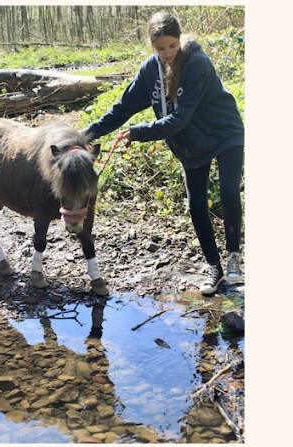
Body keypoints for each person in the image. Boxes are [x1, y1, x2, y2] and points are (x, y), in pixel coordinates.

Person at [82, 11, 244, 295]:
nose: (167, 53)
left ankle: (233, 258)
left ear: (179, 40)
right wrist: (86, 134)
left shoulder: (197, 64)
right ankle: (214, 267)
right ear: (152, 46)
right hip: (190, 144)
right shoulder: (150, 71)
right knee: (196, 205)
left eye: (172, 46)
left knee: (229, 192)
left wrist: (139, 132)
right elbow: (122, 109)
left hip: (224, 133)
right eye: (160, 48)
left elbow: (180, 118)